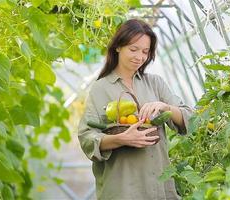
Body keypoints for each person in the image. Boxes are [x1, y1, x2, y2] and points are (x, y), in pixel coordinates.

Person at [78, 19, 192, 200]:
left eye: (145, 51)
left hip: (159, 189)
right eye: (133, 49)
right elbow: (87, 138)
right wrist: (121, 139)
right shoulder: (101, 88)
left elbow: (190, 118)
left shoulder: (155, 83)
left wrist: (165, 107)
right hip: (123, 190)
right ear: (117, 47)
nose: (139, 57)